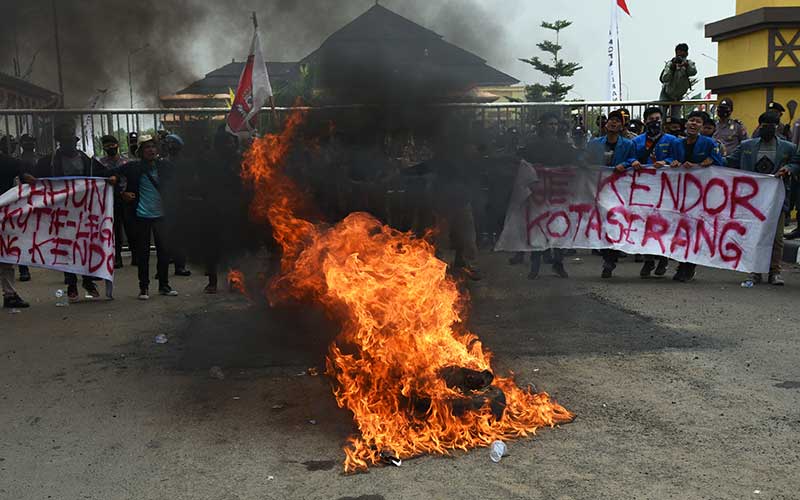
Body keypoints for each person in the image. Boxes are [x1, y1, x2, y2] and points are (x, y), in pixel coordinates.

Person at [24, 123, 108, 301]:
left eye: (72, 141)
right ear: (60, 143)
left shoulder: (86, 159)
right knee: (65, 248)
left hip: (84, 210)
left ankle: (87, 280)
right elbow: (37, 180)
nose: (69, 145)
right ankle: (71, 284)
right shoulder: (48, 161)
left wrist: (111, 180)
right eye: (66, 142)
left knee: (84, 246)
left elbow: (103, 176)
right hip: (61, 211)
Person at [727, 111, 800, 286]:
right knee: (754, 235)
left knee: (776, 237)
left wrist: (789, 168)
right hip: (751, 200)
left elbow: (797, 162)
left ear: (777, 127)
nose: (768, 129)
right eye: (765, 126)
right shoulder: (746, 146)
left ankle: (775, 272)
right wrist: (708, 160)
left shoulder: (788, 148)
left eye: (772, 126)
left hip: (776, 199)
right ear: (759, 126)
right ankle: (754, 271)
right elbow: (729, 162)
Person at [111, 134, 179, 299]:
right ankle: (144, 287)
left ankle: (164, 285)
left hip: (162, 215)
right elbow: (109, 177)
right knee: (143, 254)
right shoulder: (132, 168)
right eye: (147, 147)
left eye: (153, 146)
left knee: (164, 252)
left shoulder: (164, 167)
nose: (151, 150)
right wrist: (122, 193)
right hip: (141, 216)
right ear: (140, 151)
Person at [515, 112, 577, 279]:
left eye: (555, 124)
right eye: (550, 124)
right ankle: (535, 265)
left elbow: (575, 164)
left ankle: (558, 263)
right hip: (538, 195)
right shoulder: (532, 146)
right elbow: (522, 164)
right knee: (538, 228)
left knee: (558, 228)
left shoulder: (564, 146)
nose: (553, 127)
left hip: (558, 195)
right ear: (542, 126)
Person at [669, 110, 727, 283]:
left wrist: (702, 164)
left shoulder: (710, 143)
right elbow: (669, 158)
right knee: (681, 229)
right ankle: (682, 262)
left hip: (701, 193)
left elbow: (719, 163)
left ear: (702, 126)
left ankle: (689, 266)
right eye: (691, 120)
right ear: (686, 123)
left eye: (698, 122)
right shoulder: (677, 143)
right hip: (681, 194)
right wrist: (672, 162)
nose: (694, 124)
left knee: (695, 230)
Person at [585, 110, 637, 278]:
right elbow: (583, 159)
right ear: (606, 124)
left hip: (620, 190)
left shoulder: (628, 144)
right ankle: (608, 257)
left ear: (622, 126)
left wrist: (626, 163)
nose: (613, 123)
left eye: (617, 121)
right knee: (602, 222)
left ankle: (611, 257)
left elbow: (634, 160)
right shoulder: (594, 143)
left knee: (616, 222)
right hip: (599, 188)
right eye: (611, 120)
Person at [631, 107, 680, 278]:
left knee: (664, 224)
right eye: (651, 118)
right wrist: (634, 161)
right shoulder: (636, 141)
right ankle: (648, 259)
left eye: (658, 118)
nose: (655, 121)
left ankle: (663, 258)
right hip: (644, 190)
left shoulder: (673, 140)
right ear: (645, 121)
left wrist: (666, 162)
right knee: (645, 224)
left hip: (666, 190)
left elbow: (677, 159)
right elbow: (631, 158)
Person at [0, 142, 29, 309]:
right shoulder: (9, 162)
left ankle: (10, 294)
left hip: (5, 214)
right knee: (6, 256)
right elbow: (27, 179)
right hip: (5, 214)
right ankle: (9, 294)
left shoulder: (9, 162)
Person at [98, 135, 133, 269]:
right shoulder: (100, 163)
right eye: (107, 145)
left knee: (131, 227)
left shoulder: (126, 161)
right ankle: (117, 257)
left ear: (117, 144)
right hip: (109, 199)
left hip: (126, 197)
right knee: (115, 230)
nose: (110, 147)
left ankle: (135, 255)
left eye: (112, 144)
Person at [161, 133, 191, 277]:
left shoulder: (184, 163)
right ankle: (165, 268)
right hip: (167, 202)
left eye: (172, 144)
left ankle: (180, 266)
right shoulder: (163, 163)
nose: (170, 147)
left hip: (181, 202)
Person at [16, 134, 38, 282]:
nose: (29, 144)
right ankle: (23, 268)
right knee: (19, 234)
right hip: (20, 200)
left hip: (39, 198)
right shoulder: (16, 161)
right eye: (26, 142)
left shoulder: (42, 159)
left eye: (31, 141)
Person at [659, 43, 697, 118]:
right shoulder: (670, 64)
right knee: (661, 116)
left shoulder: (689, 63)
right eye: (678, 55)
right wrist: (672, 69)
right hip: (666, 94)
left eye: (682, 55)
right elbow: (665, 78)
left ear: (687, 53)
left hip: (678, 96)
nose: (680, 58)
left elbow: (693, 72)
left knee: (676, 118)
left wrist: (686, 66)